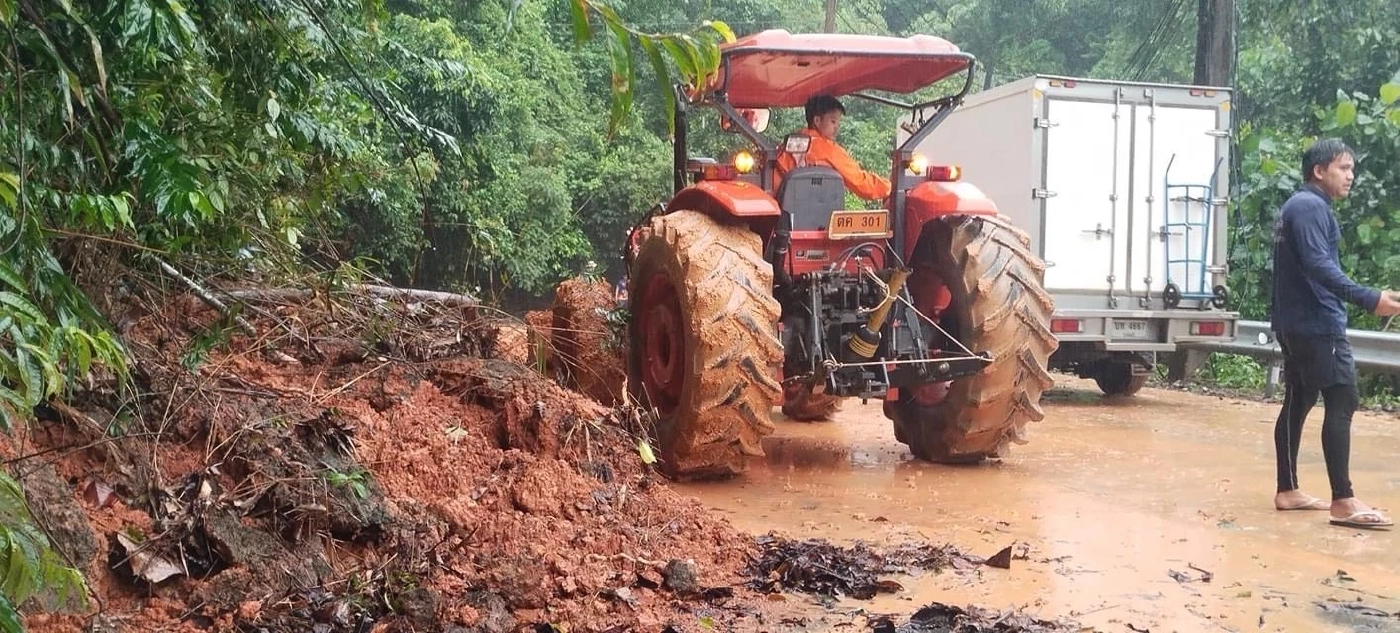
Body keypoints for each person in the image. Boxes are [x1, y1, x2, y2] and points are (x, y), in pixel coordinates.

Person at [1269, 137, 1400, 529]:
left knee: (1299, 399)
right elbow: (1317, 266)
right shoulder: (1310, 207)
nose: (1351, 176)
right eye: (1344, 168)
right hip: (1315, 323)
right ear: (1319, 171)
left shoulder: (1301, 205)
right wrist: (1368, 298)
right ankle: (1342, 499)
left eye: (1352, 170)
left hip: (1295, 323)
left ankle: (1288, 489)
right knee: (1343, 397)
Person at [775, 94, 891, 201]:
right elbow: (861, 183)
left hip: (781, 208)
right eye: (833, 122)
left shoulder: (790, 143)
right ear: (817, 121)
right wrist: (889, 187)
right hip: (811, 213)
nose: (837, 128)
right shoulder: (827, 150)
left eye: (838, 123)